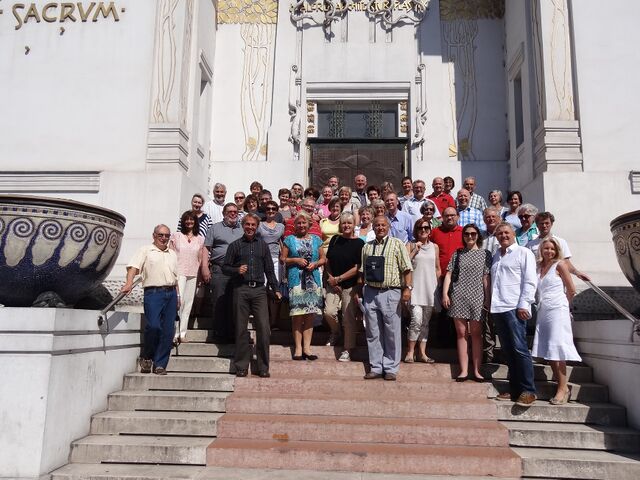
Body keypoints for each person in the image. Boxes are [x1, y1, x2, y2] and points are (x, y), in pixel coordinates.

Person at [223, 213, 281, 378]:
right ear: (243, 226)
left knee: (264, 328)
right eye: (247, 224)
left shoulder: (263, 246)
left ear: (257, 227)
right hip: (241, 289)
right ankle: (241, 366)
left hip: (259, 291)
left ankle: (263, 367)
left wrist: (275, 288)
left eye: (253, 225)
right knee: (241, 329)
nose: (250, 227)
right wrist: (236, 270)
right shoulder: (234, 245)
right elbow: (225, 267)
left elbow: (269, 269)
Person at [360, 215, 413, 381]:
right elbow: (362, 272)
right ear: (373, 227)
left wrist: (407, 289)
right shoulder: (366, 247)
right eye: (377, 225)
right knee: (373, 332)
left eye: (383, 225)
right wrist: (359, 292)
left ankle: (390, 368)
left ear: (388, 227)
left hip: (391, 292)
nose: (380, 228)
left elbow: (407, 268)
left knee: (392, 331)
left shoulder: (397, 244)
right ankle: (376, 367)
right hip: (370, 292)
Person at [121, 224, 178, 375]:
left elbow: (176, 277)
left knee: (168, 331)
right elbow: (133, 267)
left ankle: (160, 364)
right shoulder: (145, 250)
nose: (164, 238)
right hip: (153, 293)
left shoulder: (172, 254)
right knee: (153, 326)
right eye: (161, 235)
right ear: (154, 236)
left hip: (171, 293)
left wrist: (178, 297)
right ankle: (147, 356)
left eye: (167, 236)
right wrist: (128, 283)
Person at [491, 222, 537, 407]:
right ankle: (515, 389)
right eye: (500, 233)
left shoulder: (523, 253)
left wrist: (524, 304)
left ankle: (529, 390)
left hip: (515, 307)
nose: (503, 236)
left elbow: (530, 280)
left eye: (506, 232)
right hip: (498, 307)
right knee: (508, 351)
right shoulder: (496, 256)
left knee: (519, 349)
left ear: (513, 234)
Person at [531, 237, 581, 404]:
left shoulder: (559, 265)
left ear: (557, 251)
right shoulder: (539, 267)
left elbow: (571, 289)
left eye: (552, 249)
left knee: (557, 348)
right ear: (541, 250)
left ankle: (562, 388)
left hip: (558, 309)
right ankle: (562, 386)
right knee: (549, 349)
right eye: (546, 248)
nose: (549, 251)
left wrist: (563, 305)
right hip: (543, 310)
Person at [442, 224, 491, 381]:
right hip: (459, 296)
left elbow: (486, 277)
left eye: (473, 233)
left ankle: (477, 370)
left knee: (476, 334)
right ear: (463, 236)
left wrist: (487, 298)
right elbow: (449, 274)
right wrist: (445, 294)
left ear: (478, 235)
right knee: (461, 333)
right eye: (467, 234)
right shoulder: (458, 253)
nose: (470, 236)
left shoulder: (485, 254)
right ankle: (463, 370)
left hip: (477, 296)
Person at [281, 211, 325, 360]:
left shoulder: (317, 240)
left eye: (304, 222)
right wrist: (295, 260)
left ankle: (307, 348)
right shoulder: (289, 239)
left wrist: (316, 264)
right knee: (297, 315)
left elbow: (323, 258)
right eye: (298, 223)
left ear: (309, 224)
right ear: (295, 225)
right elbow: (283, 259)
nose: (301, 225)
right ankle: (298, 348)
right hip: (296, 280)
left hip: (313, 280)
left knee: (310, 314)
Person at [325, 212, 365, 361]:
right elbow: (328, 261)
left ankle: (347, 348)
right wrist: (331, 278)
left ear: (354, 225)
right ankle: (336, 332)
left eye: (349, 223)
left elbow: (358, 267)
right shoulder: (335, 239)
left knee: (348, 318)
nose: (346, 225)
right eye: (344, 223)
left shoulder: (359, 243)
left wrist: (339, 279)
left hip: (350, 285)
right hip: (333, 284)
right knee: (329, 312)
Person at [204, 203, 244, 341]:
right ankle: (219, 333)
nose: (233, 214)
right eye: (230, 212)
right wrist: (204, 267)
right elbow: (206, 248)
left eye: (235, 212)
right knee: (219, 300)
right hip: (219, 269)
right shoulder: (214, 228)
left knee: (235, 302)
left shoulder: (242, 228)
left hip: (237, 270)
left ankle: (233, 333)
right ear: (224, 213)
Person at [170, 211, 211, 344]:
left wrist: (200, 276)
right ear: (183, 221)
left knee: (188, 304)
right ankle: (174, 333)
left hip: (193, 273)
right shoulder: (176, 236)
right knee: (178, 303)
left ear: (195, 222)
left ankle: (183, 333)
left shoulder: (200, 239)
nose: (189, 222)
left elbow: (200, 258)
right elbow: (170, 255)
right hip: (179, 273)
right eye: (186, 220)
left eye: (191, 220)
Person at [405, 219, 440, 363]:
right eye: (420, 228)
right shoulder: (410, 245)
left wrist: (437, 286)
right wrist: (415, 250)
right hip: (414, 288)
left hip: (429, 288)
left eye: (426, 227)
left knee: (425, 322)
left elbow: (437, 268)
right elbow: (404, 264)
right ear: (416, 230)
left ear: (430, 230)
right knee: (416, 320)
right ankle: (410, 352)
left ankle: (422, 353)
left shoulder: (435, 247)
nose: (423, 230)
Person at [526, 212, 591, 281]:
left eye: (547, 223)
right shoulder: (530, 245)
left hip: (556, 280)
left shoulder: (561, 242)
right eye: (541, 223)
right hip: (537, 280)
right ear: (537, 225)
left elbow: (566, 263)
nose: (544, 226)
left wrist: (577, 273)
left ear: (551, 224)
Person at [257, 200, 285, 328]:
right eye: (268, 208)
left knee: (274, 289)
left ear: (277, 211)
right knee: (261, 289)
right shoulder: (259, 225)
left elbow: (282, 243)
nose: (271, 211)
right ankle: (263, 320)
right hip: (261, 258)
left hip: (275, 259)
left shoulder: (281, 226)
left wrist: (283, 257)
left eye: (273, 208)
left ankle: (274, 321)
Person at [430, 207, 464, 278]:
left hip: (459, 276)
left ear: (458, 216)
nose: (449, 218)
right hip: (438, 275)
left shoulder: (464, 232)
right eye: (447, 215)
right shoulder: (434, 232)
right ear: (442, 217)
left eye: (452, 215)